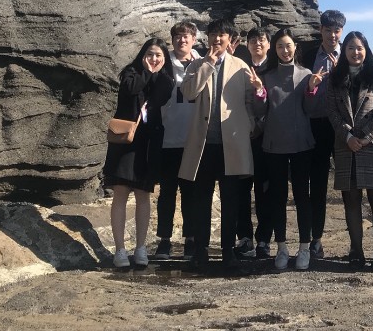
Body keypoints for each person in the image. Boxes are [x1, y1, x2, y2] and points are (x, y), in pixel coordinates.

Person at [178, 18, 261, 269]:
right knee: (201, 199)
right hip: (204, 143)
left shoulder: (240, 66)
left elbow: (249, 101)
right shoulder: (197, 64)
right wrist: (209, 64)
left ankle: (227, 250)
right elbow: (188, 93)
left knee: (231, 199)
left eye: (222, 35)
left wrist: (249, 124)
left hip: (231, 142)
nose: (217, 39)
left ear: (230, 39)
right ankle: (201, 250)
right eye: (213, 34)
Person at [103, 37, 174, 268]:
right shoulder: (130, 73)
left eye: (158, 55)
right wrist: (146, 72)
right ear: (142, 55)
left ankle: (141, 247)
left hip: (148, 144)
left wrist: (155, 74)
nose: (154, 59)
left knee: (143, 195)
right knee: (121, 194)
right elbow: (131, 89)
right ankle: (120, 250)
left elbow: (160, 98)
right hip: (125, 143)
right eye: (150, 54)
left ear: (165, 58)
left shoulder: (165, 79)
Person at [254, 27, 320, 271]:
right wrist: (259, 92)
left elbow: (310, 110)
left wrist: (311, 89)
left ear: (295, 47)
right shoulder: (267, 76)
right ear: (274, 49)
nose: (284, 50)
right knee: (277, 198)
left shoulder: (306, 74)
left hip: (301, 143)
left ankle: (304, 248)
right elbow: (259, 112)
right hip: (274, 144)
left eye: (288, 45)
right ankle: (281, 247)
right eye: (280, 46)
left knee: (303, 196)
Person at [326, 30, 373, 271]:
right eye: (351, 48)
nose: (356, 52)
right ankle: (357, 252)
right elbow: (332, 111)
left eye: (360, 48)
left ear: (367, 51)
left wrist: (365, 137)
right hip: (346, 147)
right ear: (344, 51)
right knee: (351, 201)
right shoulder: (335, 77)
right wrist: (348, 136)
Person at [154, 21, 201, 261]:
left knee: (191, 193)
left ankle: (191, 239)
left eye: (186, 36)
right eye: (177, 36)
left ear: (194, 39)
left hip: (194, 139)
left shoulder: (202, 63)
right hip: (168, 138)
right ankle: (164, 240)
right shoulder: (163, 63)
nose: (182, 40)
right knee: (167, 193)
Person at [302, 8, 346, 259]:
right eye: (328, 30)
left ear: (342, 31)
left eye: (336, 30)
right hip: (315, 125)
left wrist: (343, 74)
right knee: (317, 184)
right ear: (320, 30)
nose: (332, 35)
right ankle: (315, 240)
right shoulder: (308, 55)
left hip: (343, 127)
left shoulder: (351, 53)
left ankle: (355, 243)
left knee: (350, 184)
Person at [235, 27, 273, 259]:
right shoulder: (240, 68)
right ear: (247, 45)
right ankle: (244, 238)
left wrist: (260, 126)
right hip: (242, 137)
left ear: (269, 44)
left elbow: (278, 103)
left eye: (261, 40)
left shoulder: (275, 68)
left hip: (267, 139)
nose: (257, 44)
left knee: (264, 191)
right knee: (241, 190)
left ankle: (264, 239)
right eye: (252, 40)